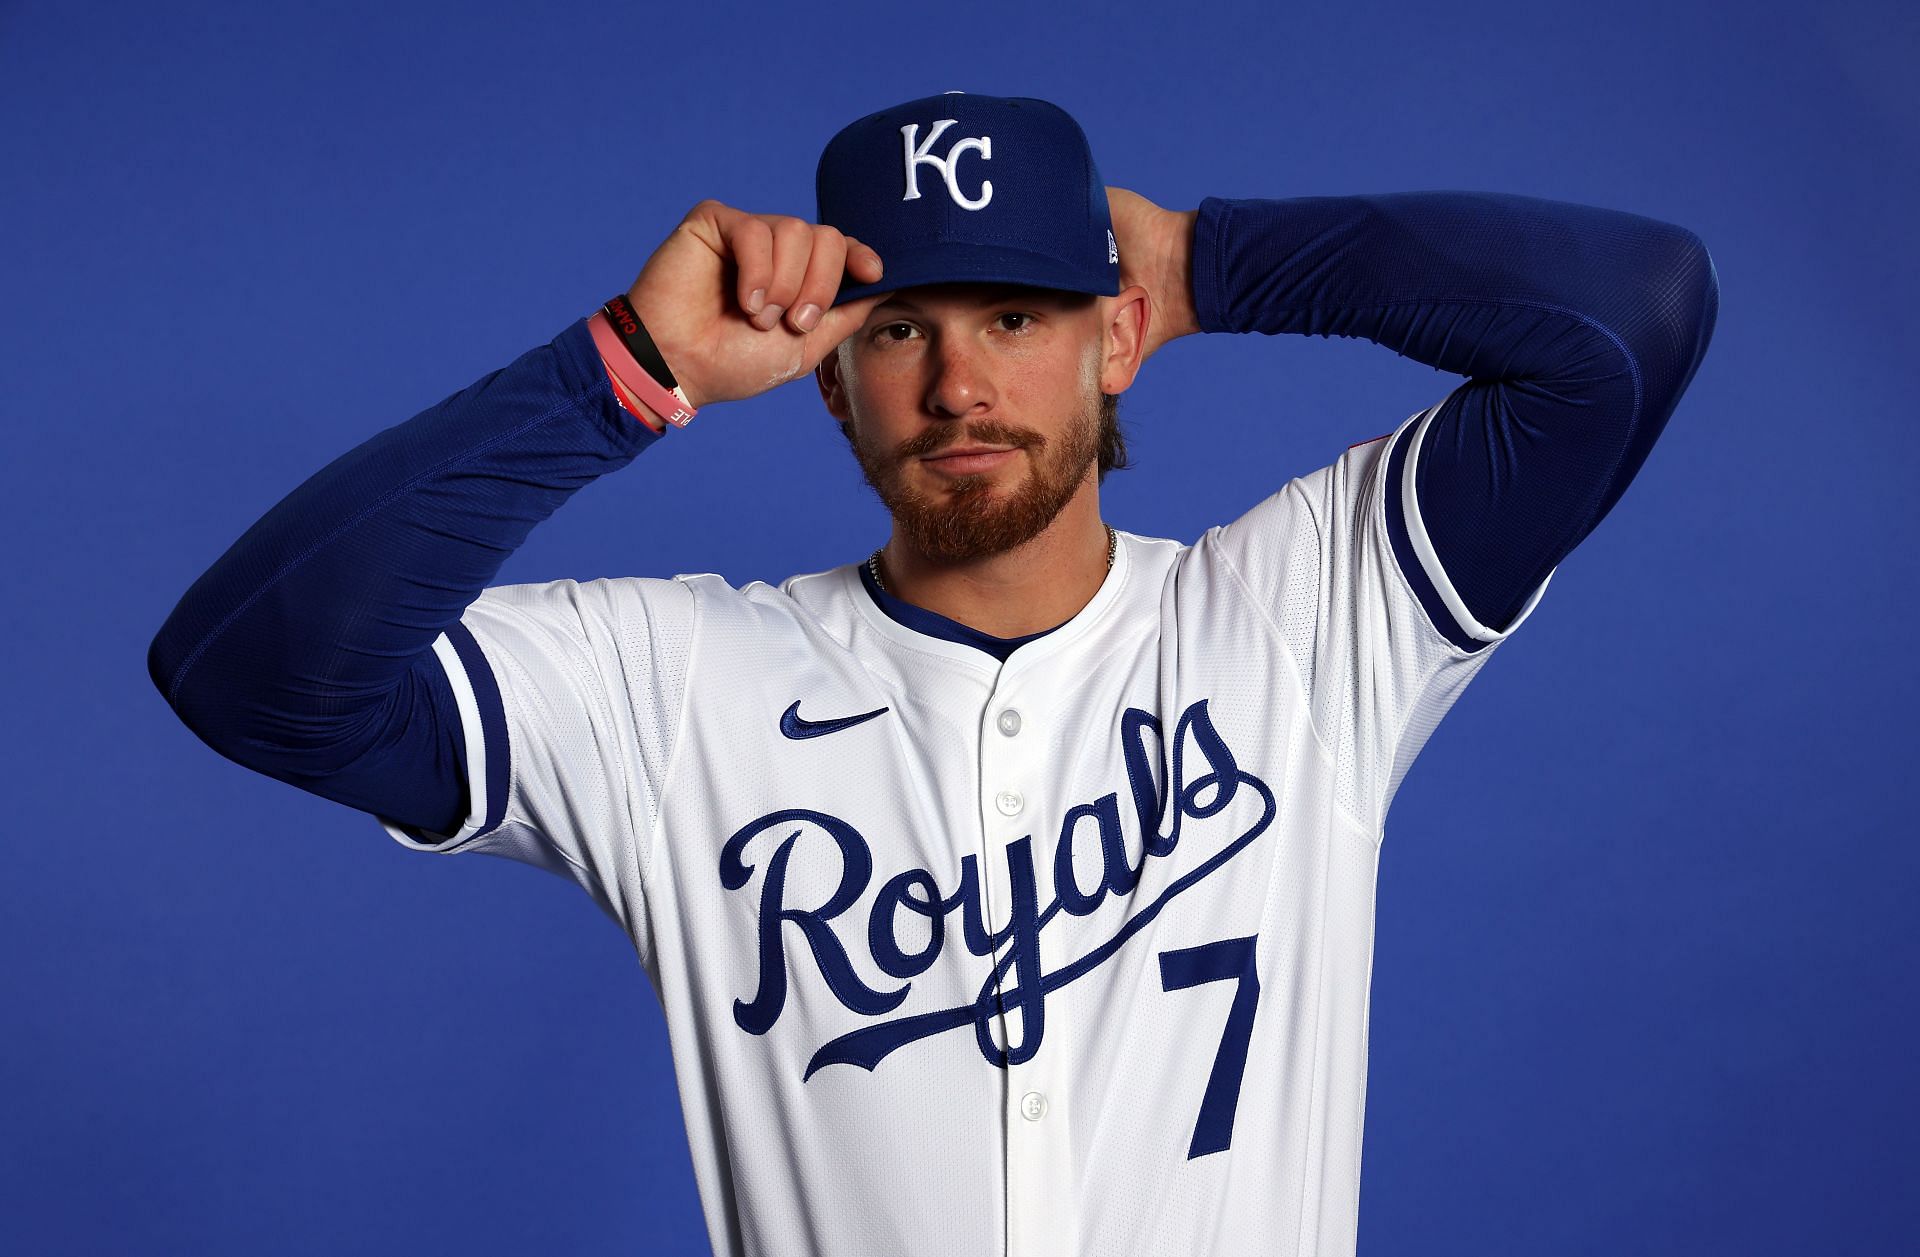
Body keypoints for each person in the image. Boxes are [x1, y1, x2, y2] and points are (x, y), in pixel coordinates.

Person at [149, 90, 1719, 1256]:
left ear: (1112, 340)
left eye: (1019, 315)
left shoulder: (1306, 620)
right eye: (901, 330)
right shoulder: (672, 689)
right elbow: (253, 673)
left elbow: (1633, 315)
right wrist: (629, 363)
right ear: (830, 380)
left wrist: (1215, 264)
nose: (961, 384)